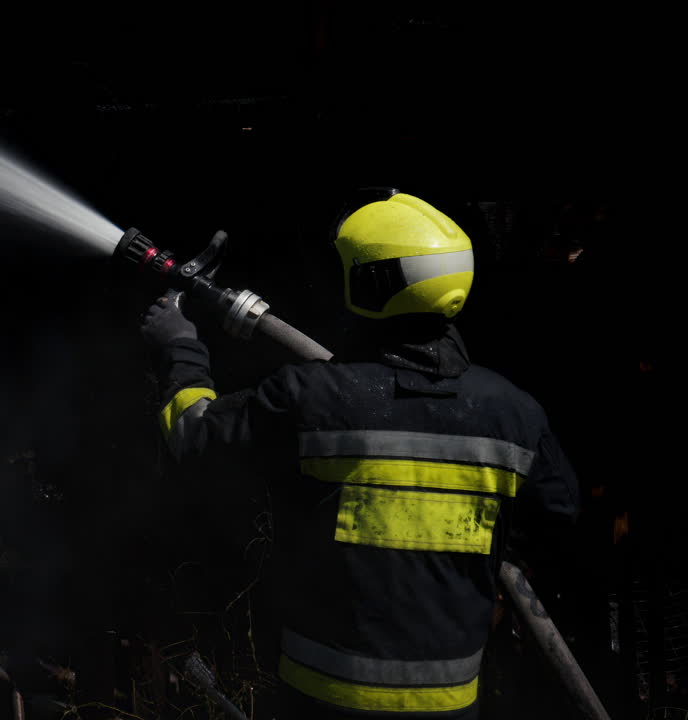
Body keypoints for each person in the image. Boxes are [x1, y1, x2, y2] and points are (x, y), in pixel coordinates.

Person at [139, 188, 580, 719]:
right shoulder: (514, 414)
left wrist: (179, 346)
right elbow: (558, 512)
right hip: (451, 705)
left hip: (320, 700)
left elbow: (193, 436)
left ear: (368, 284)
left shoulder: (313, 398)